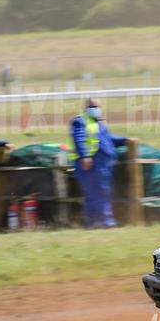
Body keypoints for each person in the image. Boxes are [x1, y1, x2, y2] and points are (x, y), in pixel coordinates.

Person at [71, 98, 128, 228]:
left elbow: (108, 138)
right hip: (90, 164)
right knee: (95, 192)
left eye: (97, 106)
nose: (96, 109)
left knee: (102, 192)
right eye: (93, 107)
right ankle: (102, 222)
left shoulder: (99, 122)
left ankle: (96, 222)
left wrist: (125, 140)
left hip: (103, 164)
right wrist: (85, 156)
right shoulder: (80, 121)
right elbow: (79, 139)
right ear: (87, 108)